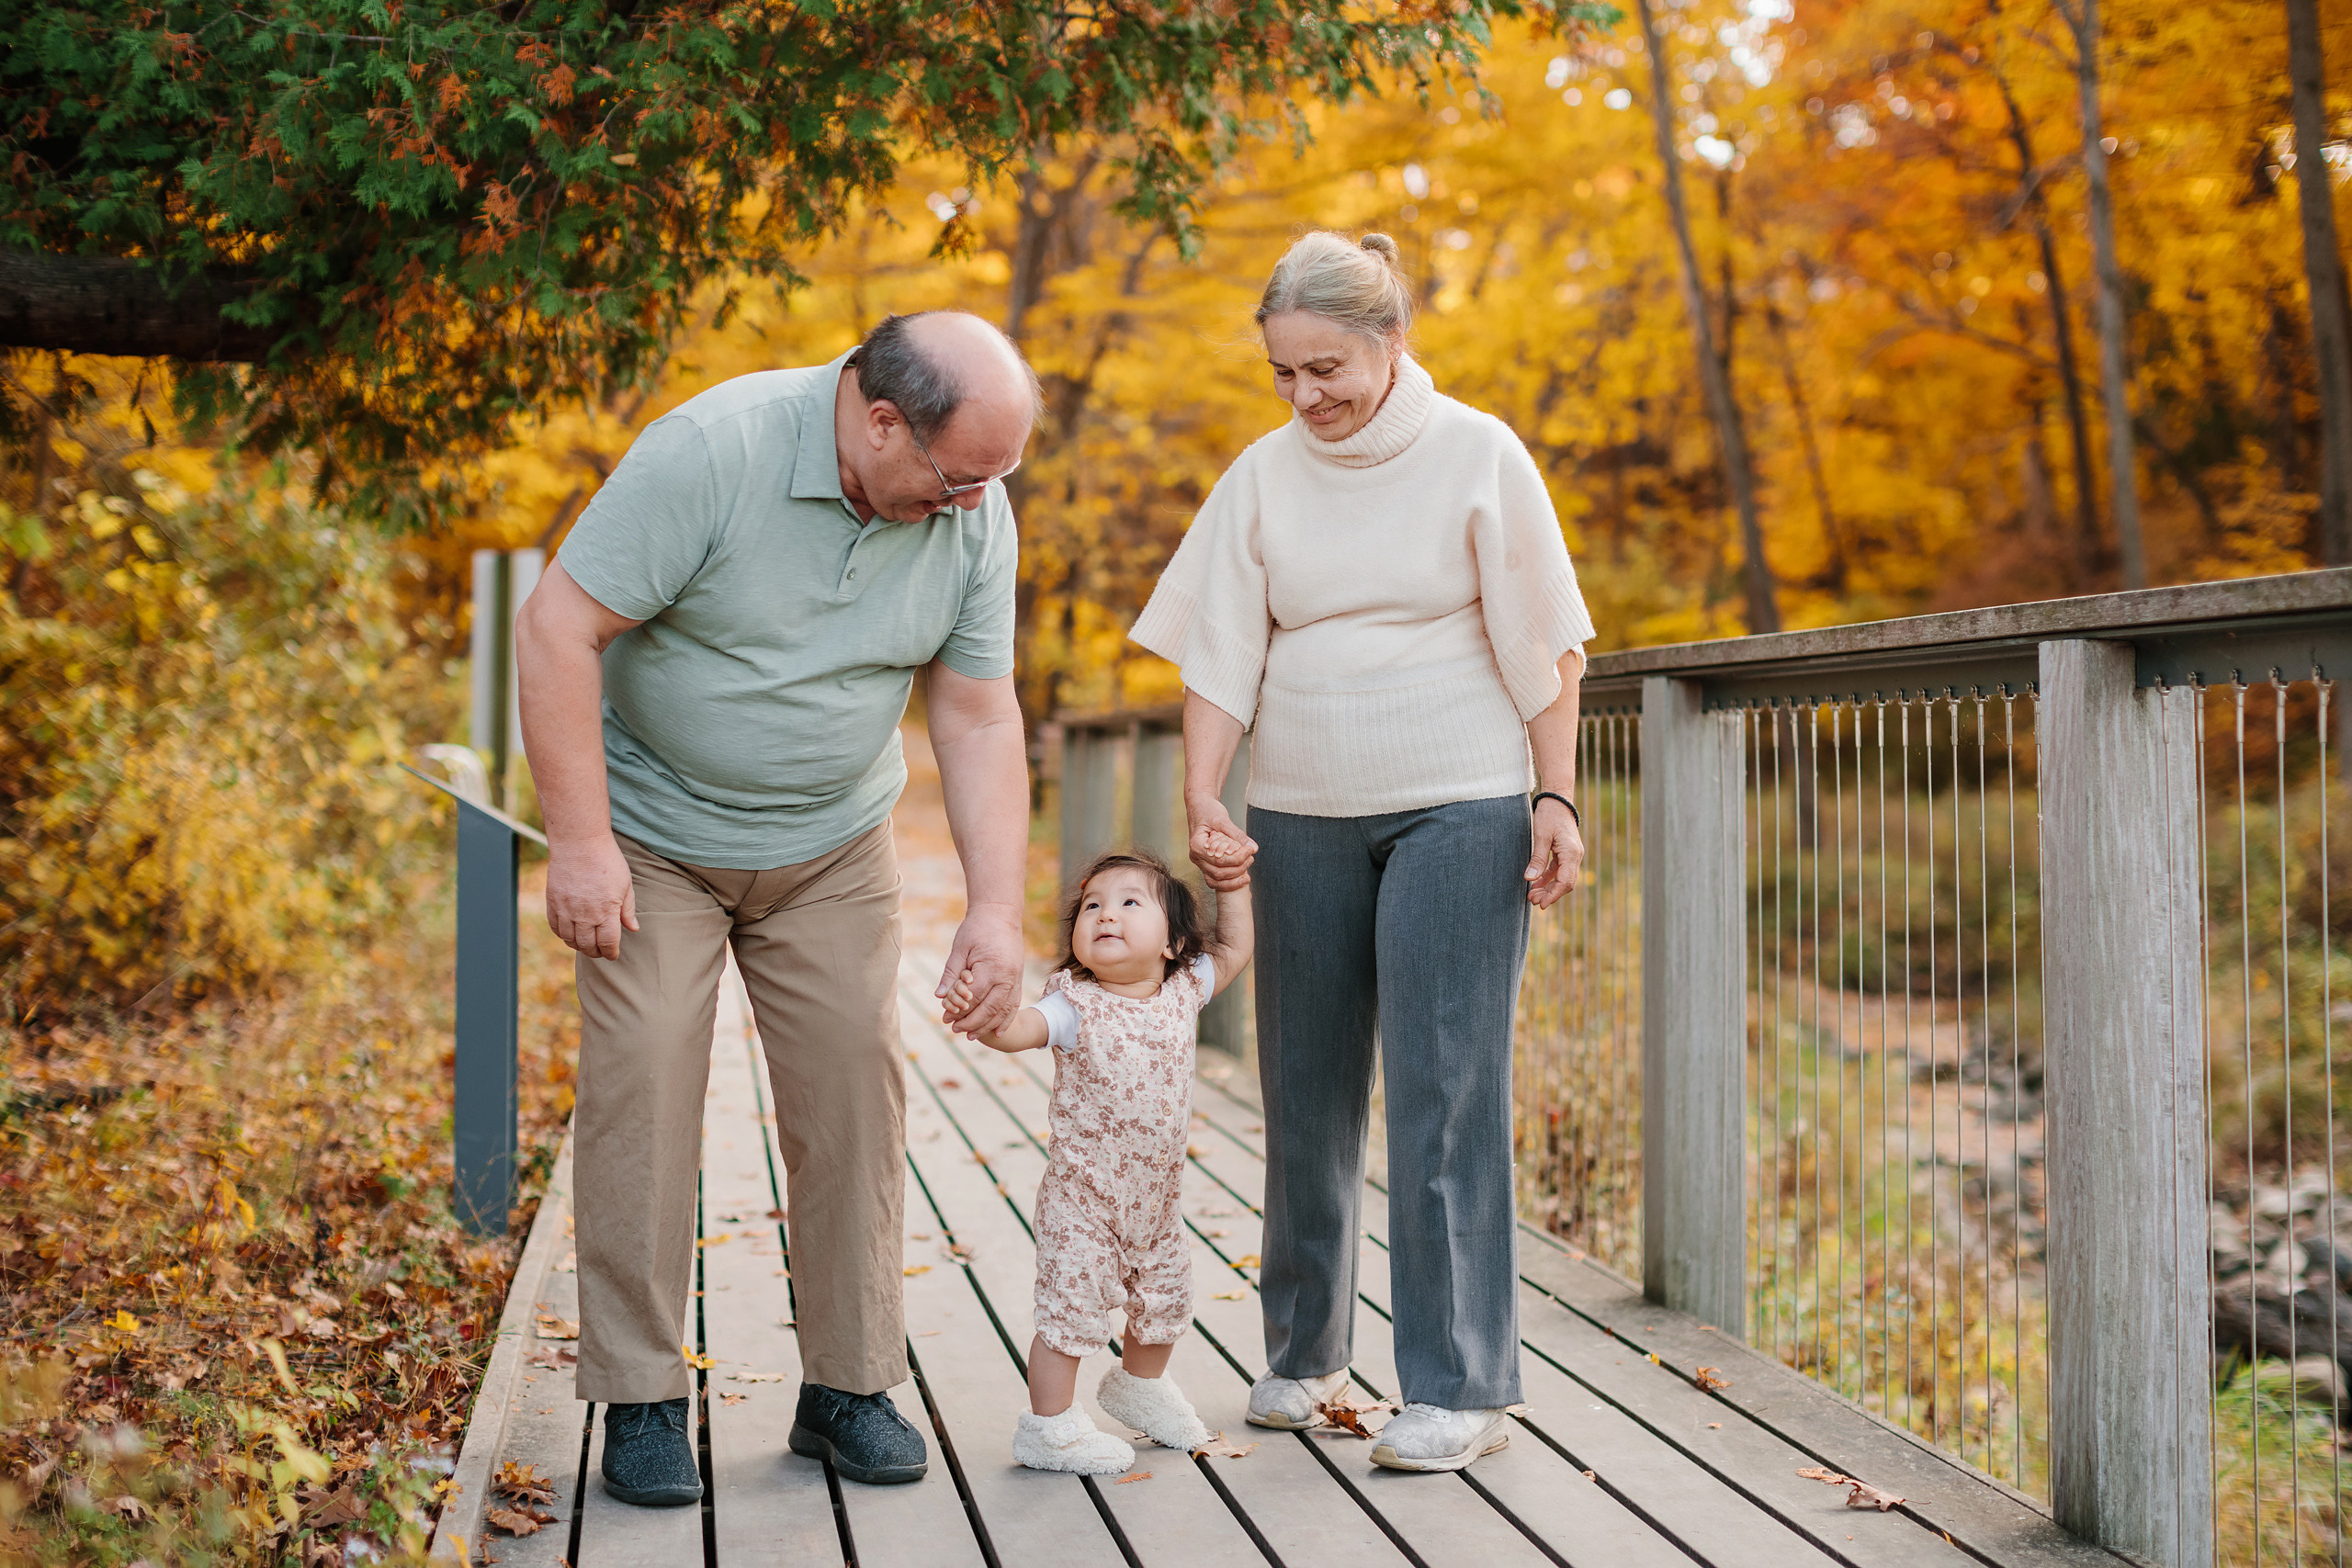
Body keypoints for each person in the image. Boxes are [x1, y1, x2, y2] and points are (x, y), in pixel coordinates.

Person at [514, 310, 1039, 1506]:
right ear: (880, 419)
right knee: (643, 1076)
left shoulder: (973, 512)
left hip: (831, 843)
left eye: (994, 480)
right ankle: (641, 1392)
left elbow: (976, 712)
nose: (976, 504)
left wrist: (995, 907)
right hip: (657, 834)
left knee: (856, 1082)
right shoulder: (714, 452)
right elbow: (560, 625)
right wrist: (584, 843)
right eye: (960, 477)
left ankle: (849, 1382)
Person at [1127, 231, 1593, 1474]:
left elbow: (1548, 646)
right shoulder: (1264, 475)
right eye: (1283, 373)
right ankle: (1303, 1349)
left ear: (1391, 341)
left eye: (1326, 367)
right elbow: (1219, 653)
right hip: (1299, 806)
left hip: (1461, 798)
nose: (1306, 396)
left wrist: (1558, 798)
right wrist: (1204, 792)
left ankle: (1456, 1381)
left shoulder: (1480, 454)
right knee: (1306, 1079)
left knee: (1446, 1086)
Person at [947, 848, 1255, 1474]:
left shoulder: (1183, 992)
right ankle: (1050, 1425)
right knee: (1071, 1310)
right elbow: (1017, 1030)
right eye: (1092, 905)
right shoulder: (1074, 1006)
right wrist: (982, 1012)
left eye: (1128, 902)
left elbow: (1234, 948)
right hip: (1083, 1201)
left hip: (1155, 1201)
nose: (1105, 914)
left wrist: (1236, 884)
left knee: (1166, 1298)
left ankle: (1140, 1386)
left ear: (1172, 942)